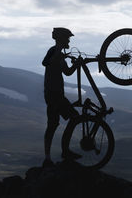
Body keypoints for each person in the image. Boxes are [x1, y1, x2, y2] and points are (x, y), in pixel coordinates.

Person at [42, 27, 81, 167]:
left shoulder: (60, 53)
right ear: (61, 39)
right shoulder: (53, 51)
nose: (69, 40)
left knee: (57, 123)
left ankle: (59, 153)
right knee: (54, 124)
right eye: (67, 38)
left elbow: (68, 72)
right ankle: (54, 155)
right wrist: (57, 57)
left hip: (56, 94)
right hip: (53, 94)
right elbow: (45, 62)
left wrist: (76, 64)